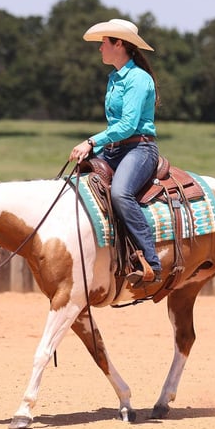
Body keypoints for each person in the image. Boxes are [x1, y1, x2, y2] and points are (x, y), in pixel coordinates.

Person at [69, 18, 162, 288]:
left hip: (140, 148)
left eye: (104, 43)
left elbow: (128, 125)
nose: (100, 49)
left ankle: (151, 263)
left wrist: (91, 141)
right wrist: (94, 148)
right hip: (115, 149)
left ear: (119, 44)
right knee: (76, 185)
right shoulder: (113, 78)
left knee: (121, 193)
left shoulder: (138, 79)